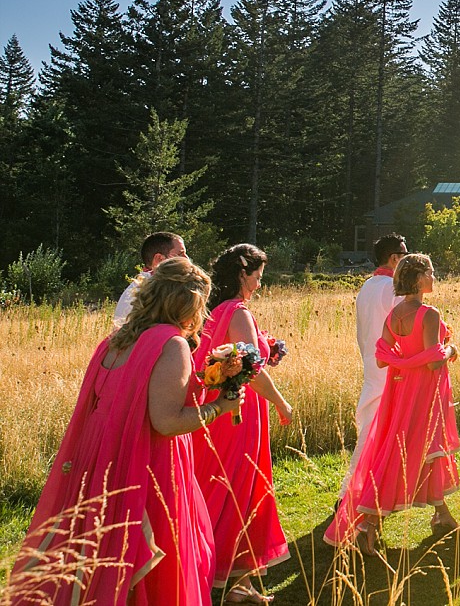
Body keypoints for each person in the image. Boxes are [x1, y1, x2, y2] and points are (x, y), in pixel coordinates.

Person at [9, 258, 241, 605]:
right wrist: (220, 407)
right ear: (186, 302)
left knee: (99, 544)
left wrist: (212, 378)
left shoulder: (116, 339)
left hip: (100, 453)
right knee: (144, 548)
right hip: (145, 460)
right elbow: (166, 421)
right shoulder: (171, 343)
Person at [326, 254, 460, 551]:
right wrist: (450, 350)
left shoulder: (395, 314)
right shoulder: (428, 314)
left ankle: (441, 514)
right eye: (431, 272)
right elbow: (433, 362)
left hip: (400, 391)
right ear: (418, 278)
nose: (435, 278)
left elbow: (382, 357)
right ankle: (368, 523)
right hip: (423, 393)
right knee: (412, 451)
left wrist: (408, 360)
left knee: (419, 449)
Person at [190, 244, 292, 602]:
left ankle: (235, 582)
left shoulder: (212, 312)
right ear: (242, 273)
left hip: (217, 410)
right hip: (240, 413)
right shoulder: (238, 312)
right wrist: (281, 401)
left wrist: (267, 346)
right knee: (240, 489)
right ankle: (229, 576)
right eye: (258, 277)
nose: (259, 285)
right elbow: (252, 371)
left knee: (218, 484)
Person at [343, 234, 408, 494]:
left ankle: (363, 486)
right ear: (394, 258)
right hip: (390, 366)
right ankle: (352, 490)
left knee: (372, 426)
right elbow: (407, 325)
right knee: (378, 429)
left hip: (370, 363)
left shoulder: (367, 286)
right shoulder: (393, 288)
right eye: (405, 255)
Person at [113, 230, 187, 326]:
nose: (186, 259)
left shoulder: (150, 286)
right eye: (180, 254)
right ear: (159, 259)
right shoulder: (144, 292)